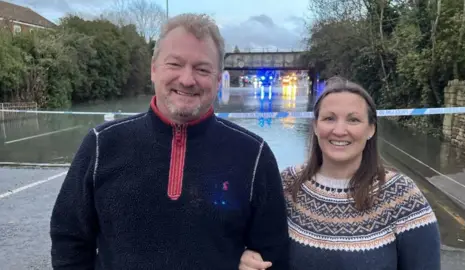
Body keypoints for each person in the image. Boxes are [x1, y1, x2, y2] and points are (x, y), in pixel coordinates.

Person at [50, 13, 289, 270]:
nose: (187, 79)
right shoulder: (101, 145)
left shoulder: (253, 156)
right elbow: (69, 240)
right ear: (153, 69)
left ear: (219, 80)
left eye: (202, 69)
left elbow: (273, 255)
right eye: (175, 64)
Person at [239, 77, 441, 270]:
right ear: (316, 126)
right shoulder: (286, 184)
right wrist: (246, 256)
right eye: (329, 118)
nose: (339, 130)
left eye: (353, 120)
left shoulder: (403, 196)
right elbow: (252, 245)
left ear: (371, 129)